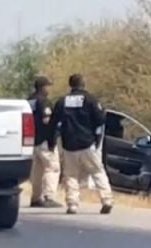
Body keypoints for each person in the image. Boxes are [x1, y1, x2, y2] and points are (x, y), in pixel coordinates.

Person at [48, 74, 114, 215]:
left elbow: (53, 123)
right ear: (83, 84)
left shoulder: (62, 101)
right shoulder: (90, 99)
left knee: (70, 176)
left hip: (69, 145)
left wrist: (51, 142)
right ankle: (107, 200)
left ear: (71, 85)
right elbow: (101, 119)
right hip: (87, 144)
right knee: (97, 171)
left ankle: (72, 204)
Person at [28, 76, 62, 208]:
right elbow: (47, 121)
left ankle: (36, 198)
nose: (49, 89)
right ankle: (49, 197)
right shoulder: (44, 101)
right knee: (52, 168)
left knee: (37, 171)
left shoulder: (29, 100)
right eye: (48, 86)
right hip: (44, 141)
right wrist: (52, 139)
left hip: (32, 141)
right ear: (43, 87)